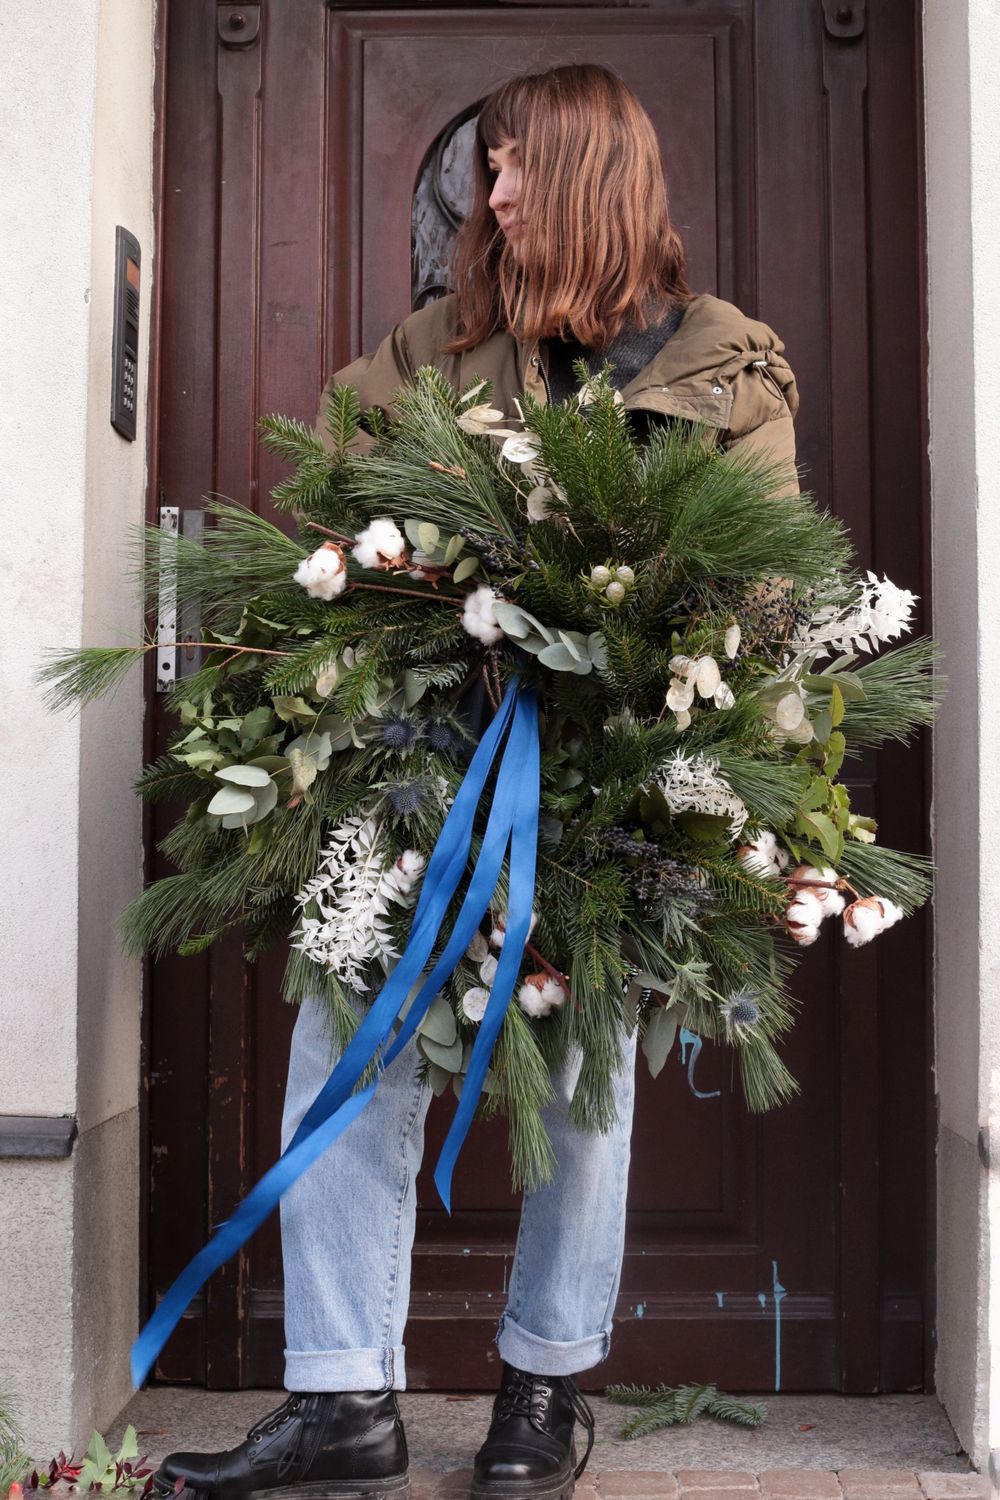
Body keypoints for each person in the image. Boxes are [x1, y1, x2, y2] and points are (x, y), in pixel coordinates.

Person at [152, 61, 800, 1500]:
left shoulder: (722, 367)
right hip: (422, 768)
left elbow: (758, 590)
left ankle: (545, 1387)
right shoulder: (437, 350)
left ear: (586, 182)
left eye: (515, 169)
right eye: (487, 169)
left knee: (584, 1078)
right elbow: (327, 495)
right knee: (348, 1042)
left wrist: (624, 631)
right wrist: (408, 570)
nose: (491, 195)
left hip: (617, 785)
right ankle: (344, 1403)